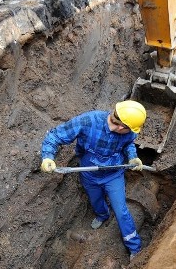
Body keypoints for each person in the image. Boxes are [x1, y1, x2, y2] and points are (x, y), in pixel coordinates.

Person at [40, 100, 146, 259]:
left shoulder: (128, 130)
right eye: (130, 130)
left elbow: (129, 143)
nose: (132, 133)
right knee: (95, 200)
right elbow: (56, 135)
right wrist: (47, 157)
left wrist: (133, 157)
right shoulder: (89, 121)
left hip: (113, 172)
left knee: (121, 211)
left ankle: (135, 248)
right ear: (121, 127)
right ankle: (102, 215)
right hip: (89, 171)